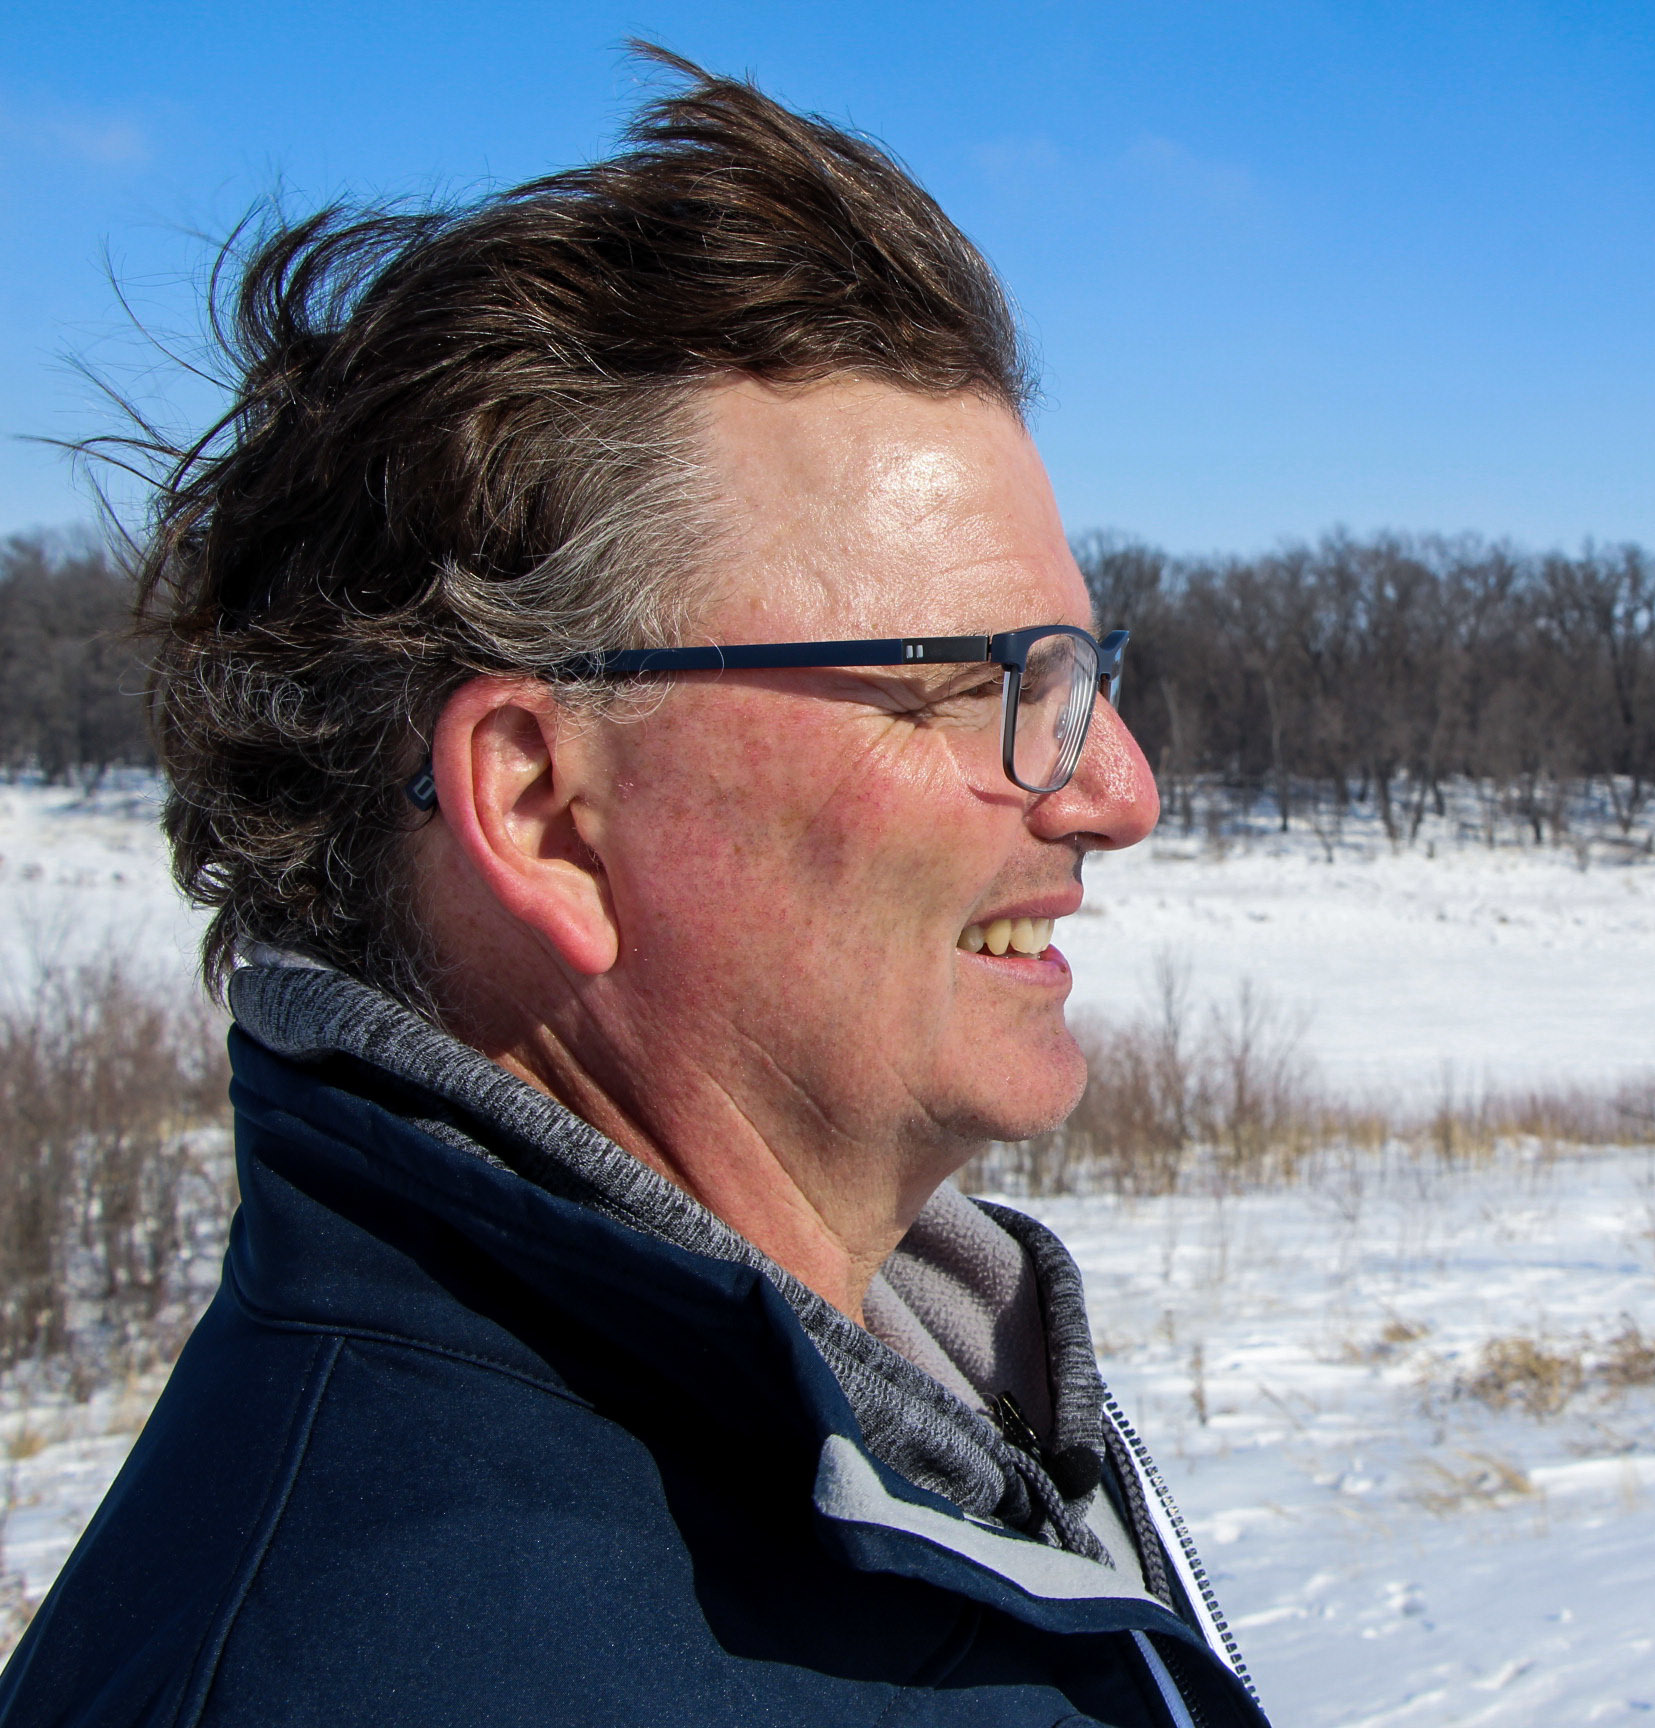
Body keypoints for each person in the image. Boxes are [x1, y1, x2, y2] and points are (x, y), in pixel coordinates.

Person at [0, 49, 1265, 1728]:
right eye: (981, 684)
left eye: (1081, 670)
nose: (1120, 792)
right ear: (542, 811)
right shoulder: (396, 1668)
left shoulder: (876, 1426)